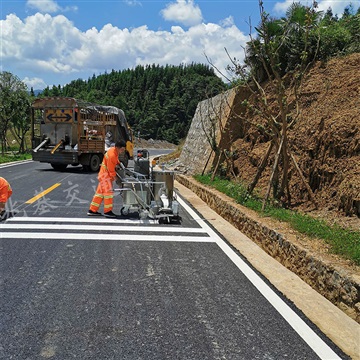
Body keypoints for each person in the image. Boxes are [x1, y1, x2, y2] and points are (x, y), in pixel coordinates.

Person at [87, 140, 126, 218]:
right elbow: (111, 170)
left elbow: (115, 160)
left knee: (100, 194)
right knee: (108, 194)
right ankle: (108, 211)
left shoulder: (113, 151)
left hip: (103, 175)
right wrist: (117, 179)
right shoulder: (112, 155)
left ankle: (92, 210)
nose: (123, 151)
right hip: (106, 176)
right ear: (118, 148)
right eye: (122, 149)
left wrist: (119, 163)